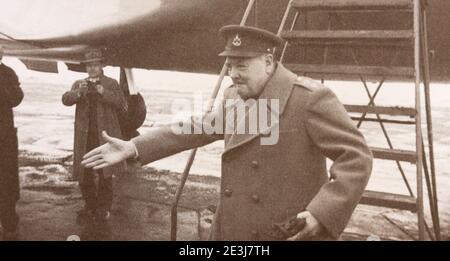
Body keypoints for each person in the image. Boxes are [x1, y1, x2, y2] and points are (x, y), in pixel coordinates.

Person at [81, 26, 373, 240]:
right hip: (233, 232)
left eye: (241, 65)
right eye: (230, 65)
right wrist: (134, 147)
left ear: (269, 63)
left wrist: (321, 214)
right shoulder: (234, 96)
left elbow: (356, 157)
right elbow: (194, 128)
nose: (233, 73)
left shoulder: (309, 98)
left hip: (285, 233)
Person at [62, 50, 127, 226]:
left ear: (101, 66)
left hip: (104, 137)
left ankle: (103, 208)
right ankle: (90, 205)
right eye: (89, 65)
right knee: (85, 173)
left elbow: (122, 104)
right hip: (85, 138)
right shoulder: (79, 83)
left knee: (105, 173)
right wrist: (77, 93)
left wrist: (103, 92)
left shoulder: (111, 83)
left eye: (95, 65)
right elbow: (65, 100)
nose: (91, 68)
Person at [0, 45, 24, 240]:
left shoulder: (8, 73)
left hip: (4, 137)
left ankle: (9, 224)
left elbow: (17, 97)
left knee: (7, 181)